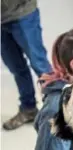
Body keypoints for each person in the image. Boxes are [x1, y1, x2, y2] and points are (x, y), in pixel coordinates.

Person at [1, 0, 53, 130]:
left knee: (39, 64)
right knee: (16, 67)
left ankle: (56, 111)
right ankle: (28, 109)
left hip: (23, 14)